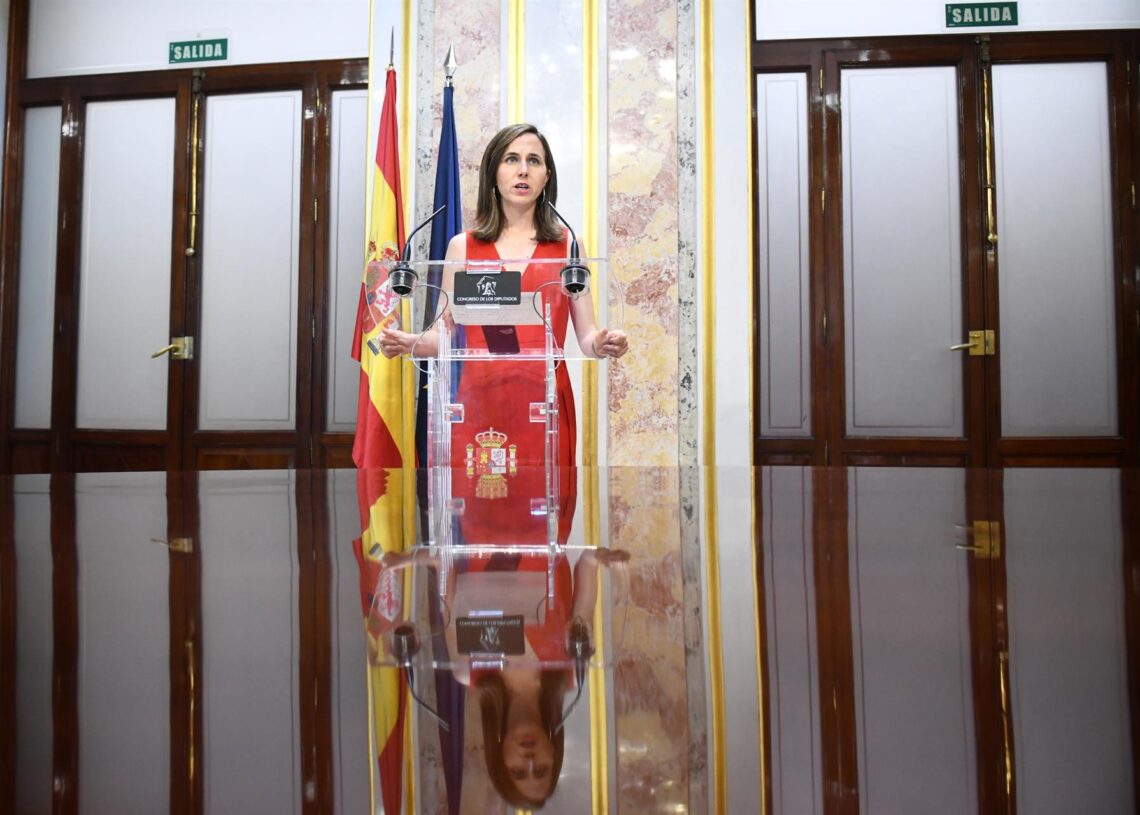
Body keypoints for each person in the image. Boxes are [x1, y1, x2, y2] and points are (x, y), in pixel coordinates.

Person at [377, 123, 628, 468]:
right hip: (477, 405)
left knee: (545, 517)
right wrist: (409, 342)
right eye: (512, 159)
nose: (523, 169)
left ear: (546, 177)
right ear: (493, 173)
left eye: (534, 161)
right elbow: (443, 335)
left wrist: (600, 344)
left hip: (546, 405)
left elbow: (586, 336)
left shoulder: (568, 247)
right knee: (482, 511)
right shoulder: (462, 246)